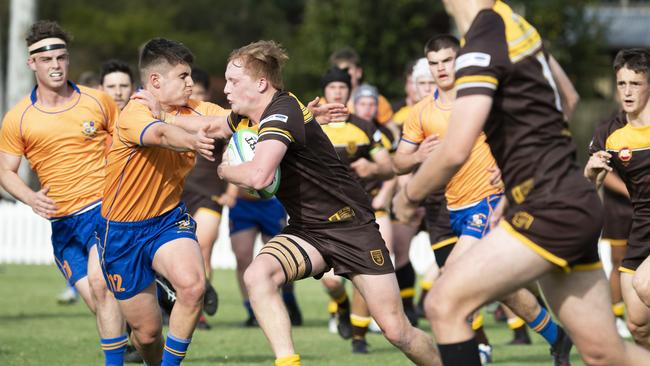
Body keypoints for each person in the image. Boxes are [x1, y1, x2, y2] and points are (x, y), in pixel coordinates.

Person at [393, 1, 650, 365]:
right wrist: (520, 177)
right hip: (565, 199)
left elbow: (454, 150)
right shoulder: (515, 25)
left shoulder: (484, 36)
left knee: (443, 303)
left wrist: (408, 195)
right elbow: (569, 99)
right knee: (604, 353)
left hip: (550, 206)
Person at [217, 40, 439, 366]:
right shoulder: (252, 118)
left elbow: (260, 177)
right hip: (309, 232)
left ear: (261, 83)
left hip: (352, 227)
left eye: (233, 81)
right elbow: (205, 125)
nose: (225, 89)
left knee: (397, 331)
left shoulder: (282, 110)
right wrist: (160, 114)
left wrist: (225, 169)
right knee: (258, 276)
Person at [394, 33, 569, 364]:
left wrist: (509, 169)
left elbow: (523, 135)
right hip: (452, 209)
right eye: (434, 64)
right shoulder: (420, 112)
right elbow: (397, 161)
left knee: (452, 281)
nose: (441, 69)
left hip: (489, 201)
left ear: (458, 60)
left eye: (447, 61)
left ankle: (469, 352)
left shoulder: (480, 99)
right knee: (503, 290)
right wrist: (418, 158)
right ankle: (557, 337)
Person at [0, 20, 126, 365]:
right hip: (63, 224)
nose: (55, 65)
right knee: (101, 305)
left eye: (61, 57)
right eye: (47, 59)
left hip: (105, 210)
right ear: (32, 63)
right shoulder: (18, 118)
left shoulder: (98, 102)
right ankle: (139, 326)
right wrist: (30, 197)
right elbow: (5, 172)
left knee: (103, 288)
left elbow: (125, 149)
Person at [98, 37, 224, 366]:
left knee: (194, 287)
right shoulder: (133, 113)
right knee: (148, 333)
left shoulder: (196, 108)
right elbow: (161, 135)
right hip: (121, 231)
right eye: (183, 76)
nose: (190, 83)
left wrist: (302, 118)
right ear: (156, 81)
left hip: (168, 220)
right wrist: (193, 139)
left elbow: (233, 119)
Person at [319, 66, 395, 353]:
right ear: (324, 91)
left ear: (349, 91)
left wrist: (373, 166)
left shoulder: (364, 126)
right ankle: (340, 305)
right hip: (322, 213)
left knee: (365, 274)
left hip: (361, 214)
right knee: (329, 281)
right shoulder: (311, 125)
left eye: (342, 87)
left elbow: (388, 168)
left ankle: (359, 336)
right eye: (332, 87)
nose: (337, 92)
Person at [586, 48, 650, 348]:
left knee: (644, 284)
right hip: (640, 228)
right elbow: (591, 186)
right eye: (622, 84)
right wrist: (590, 172)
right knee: (637, 325)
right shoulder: (609, 134)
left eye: (635, 84)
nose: (627, 91)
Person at [178, 67, 226, 329]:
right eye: (190, 92)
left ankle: (200, 311)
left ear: (207, 93)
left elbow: (234, 150)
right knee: (183, 252)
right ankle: (186, 298)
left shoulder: (217, 118)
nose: (194, 97)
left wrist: (230, 190)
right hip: (180, 193)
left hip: (211, 193)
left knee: (203, 247)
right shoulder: (174, 117)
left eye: (199, 92)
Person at [329, 47, 394, 125]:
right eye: (338, 71)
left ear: (358, 72)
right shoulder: (325, 102)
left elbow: (392, 130)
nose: (342, 74)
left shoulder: (376, 100)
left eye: (347, 69)